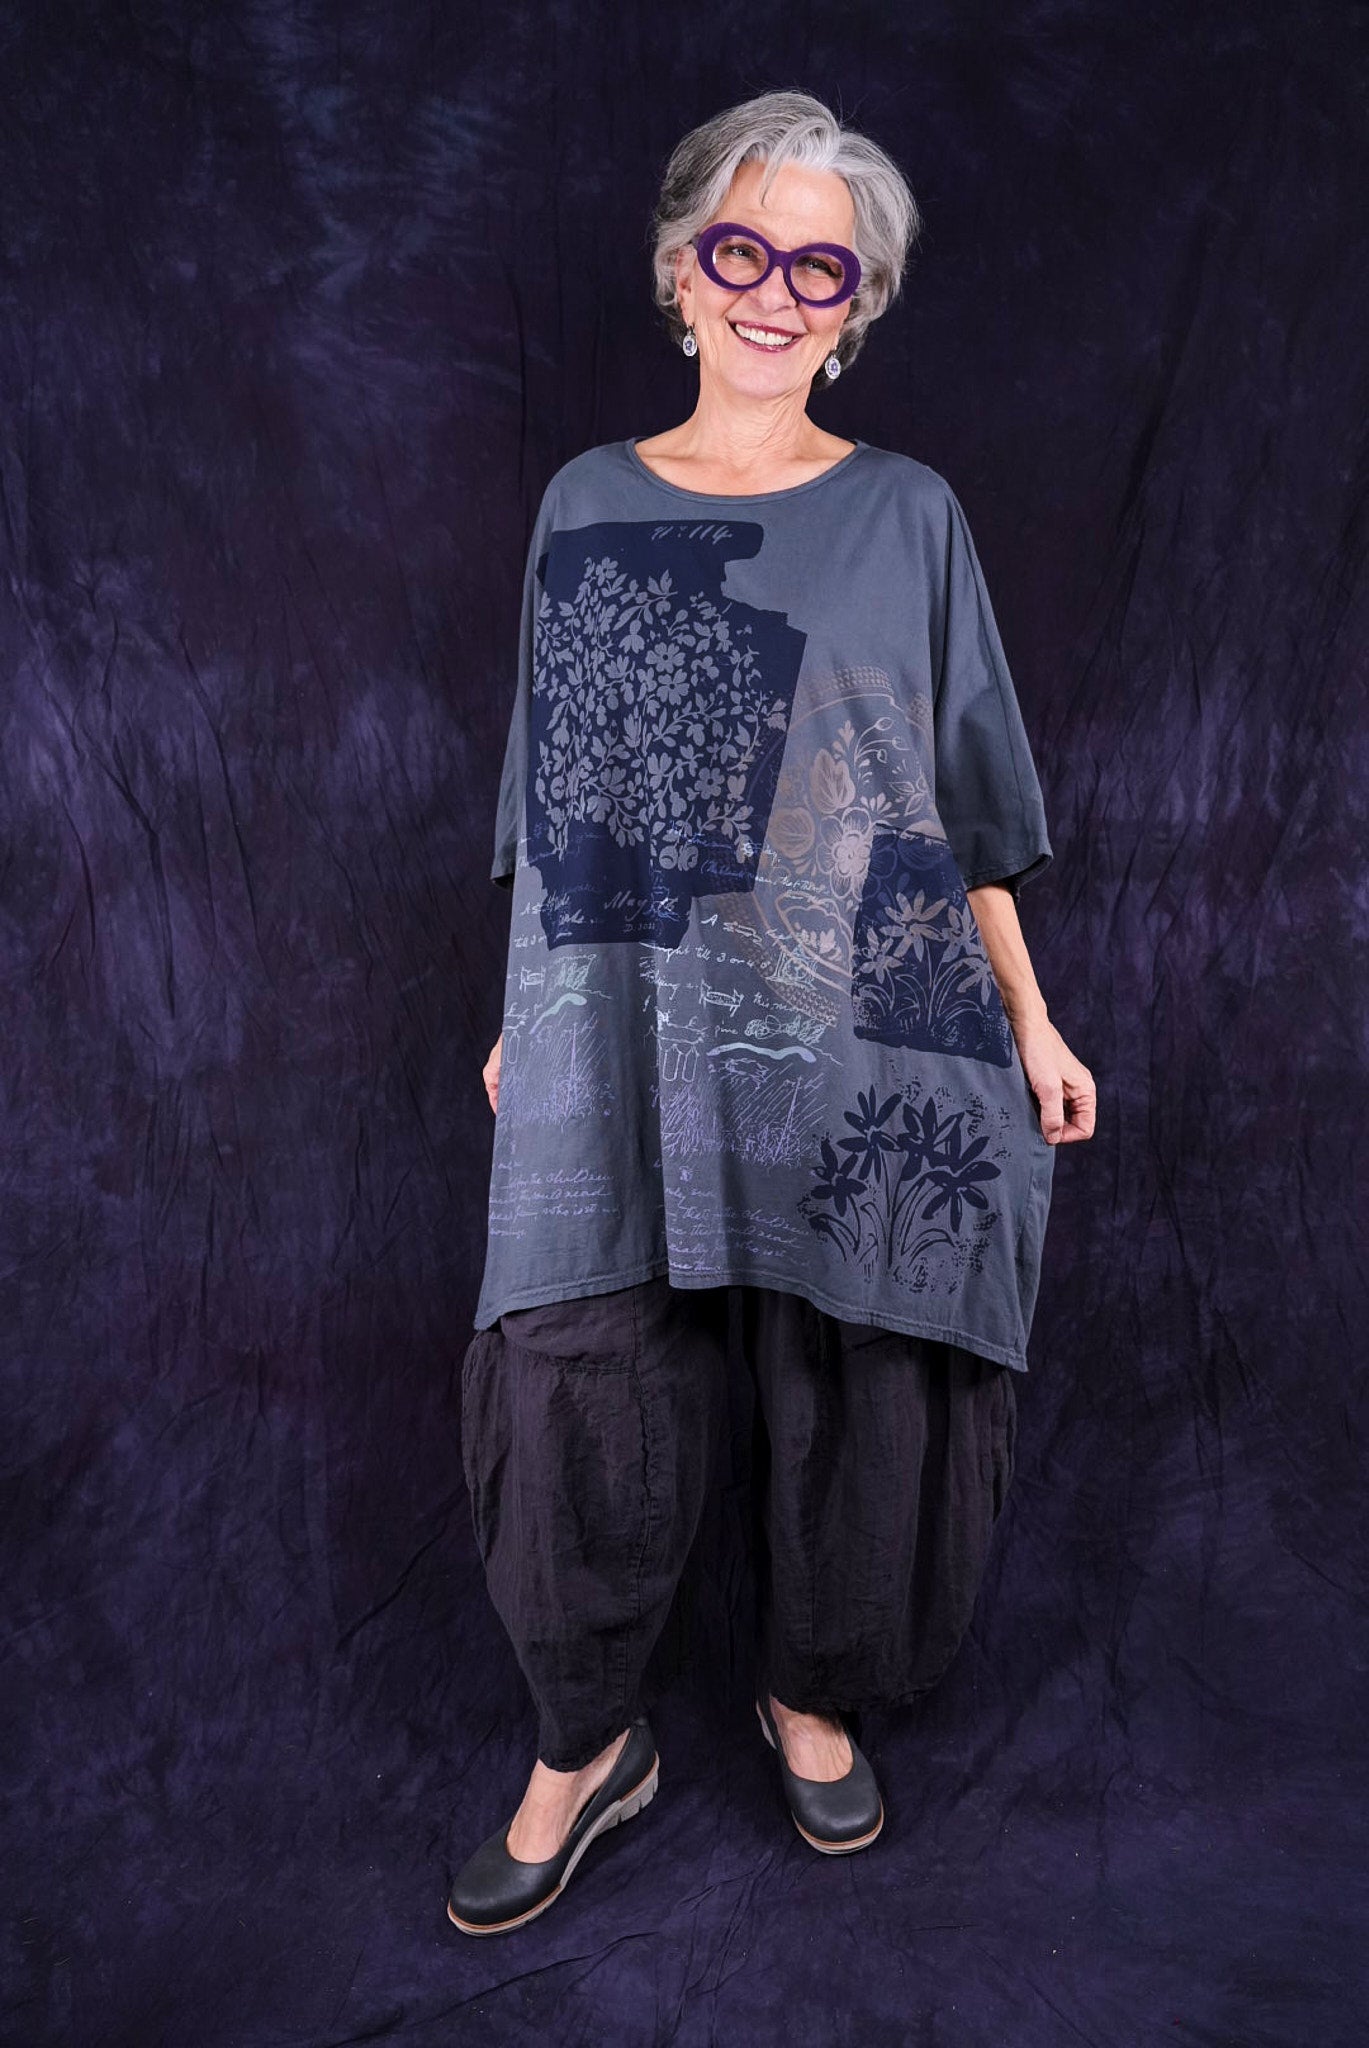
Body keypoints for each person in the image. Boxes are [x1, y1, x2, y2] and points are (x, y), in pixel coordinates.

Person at [448, 89, 1096, 1937]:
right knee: (577, 1358)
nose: (772, 292)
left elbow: (957, 807)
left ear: (853, 307)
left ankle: (811, 1693)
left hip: (867, 1009)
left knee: (861, 1360)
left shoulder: (909, 514)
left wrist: (1030, 1020)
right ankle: (585, 1742)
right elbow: (563, 802)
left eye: (819, 268)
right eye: (739, 249)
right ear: (679, 272)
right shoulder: (586, 500)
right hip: (621, 1008)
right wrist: (526, 1013)